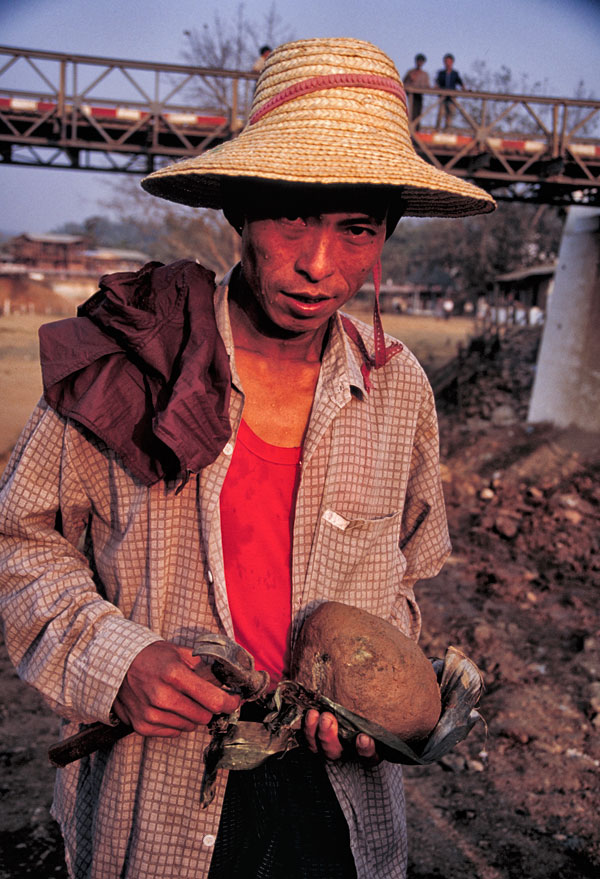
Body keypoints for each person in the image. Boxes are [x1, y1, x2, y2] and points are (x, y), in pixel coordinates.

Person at [0, 37, 495, 879]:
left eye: (357, 229)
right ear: (236, 209)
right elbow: (20, 542)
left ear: (385, 238)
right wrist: (118, 661)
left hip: (339, 810)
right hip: (154, 798)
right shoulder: (128, 360)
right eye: (291, 215)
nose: (318, 263)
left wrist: (375, 703)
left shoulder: (398, 387)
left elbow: (403, 583)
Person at [435, 53, 466, 129]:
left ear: (452, 62)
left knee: (450, 114)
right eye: (446, 62)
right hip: (443, 97)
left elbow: (460, 82)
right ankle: (437, 129)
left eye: (449, 62)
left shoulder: (455, 73)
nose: (448, 63)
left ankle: (447, 129)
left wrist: (464, 89)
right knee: (440, 113)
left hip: (452, 98)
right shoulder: (441, 73)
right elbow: (437, 83)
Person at [403, 53, 429, 129]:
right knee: (411, 112)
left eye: (421, 62)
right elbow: (403, 82)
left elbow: (427, 85)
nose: (419, 63)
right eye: (418, 61)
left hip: (419, 96)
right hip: (411, 96)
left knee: (418, 112)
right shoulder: (410, 72)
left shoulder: (424, 74)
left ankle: (416, 128)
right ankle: (410, 127)